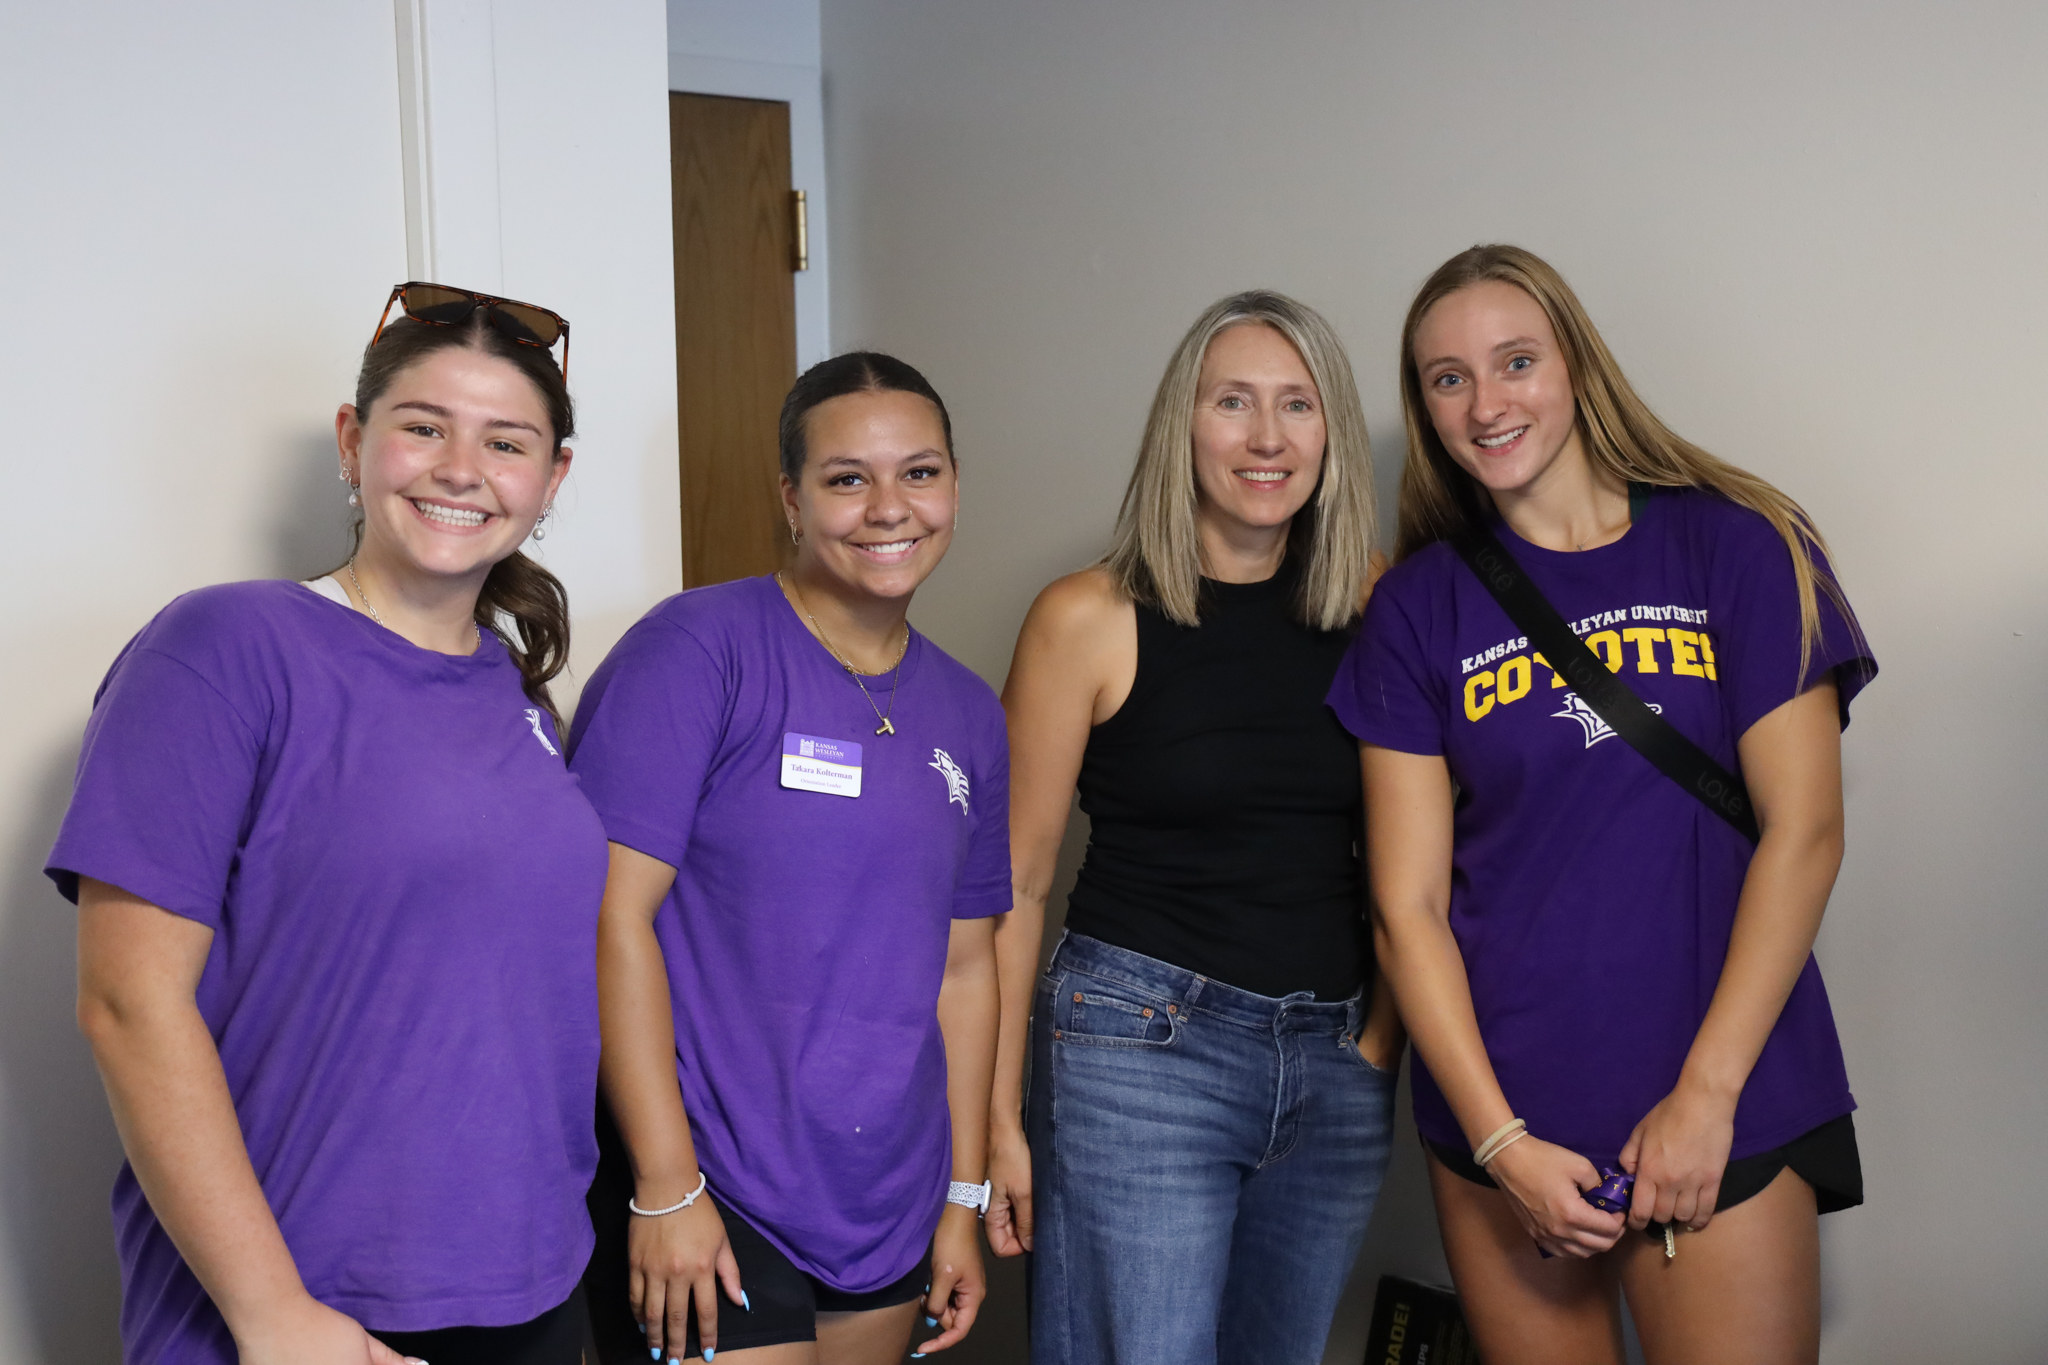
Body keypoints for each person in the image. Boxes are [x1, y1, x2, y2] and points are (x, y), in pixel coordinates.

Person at [1335, 244, 1878, 1364]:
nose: (1485, 404)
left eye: (1514, 361)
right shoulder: (1417, 611)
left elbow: (1804, 831)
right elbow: (1407, 909)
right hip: (1506, 1120)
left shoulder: (1740, 543)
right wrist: (1498, 1143)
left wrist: (1702, 1097)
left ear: (1576, 366)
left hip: (1724, 1091)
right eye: (1446, 379)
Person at [48, 282, 604, 1365]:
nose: (460, 468)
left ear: (550, 480)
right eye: (423, 427)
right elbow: (125, 1002)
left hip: (527, 1285)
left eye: (504, 441)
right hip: (304, 1305)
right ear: (354, 443)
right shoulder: (223, 648)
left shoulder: (516, 692)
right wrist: (274, 1317)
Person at [571, 352, 1007, 1365]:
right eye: (846, 478)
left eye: (919, 472)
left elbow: (965, 968)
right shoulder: (697, 652)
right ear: (791, 498)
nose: (888, 507)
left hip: (885, 1196)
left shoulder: (967, 712)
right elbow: (604, 917)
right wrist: (664, 1183)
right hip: (711, 1177)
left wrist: (959, 1200)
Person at [998, 290, 1404, 1365]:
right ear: (1181, 423)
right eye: (1232, 403)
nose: (1266, 439)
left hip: (1333, 1061)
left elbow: (1430, 857)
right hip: (1139, 1052)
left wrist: (1376, 1044)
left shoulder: (1378, 606)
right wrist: (993, 1122)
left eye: (1297, 406)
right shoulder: (1084, 617)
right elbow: (1012, 885)